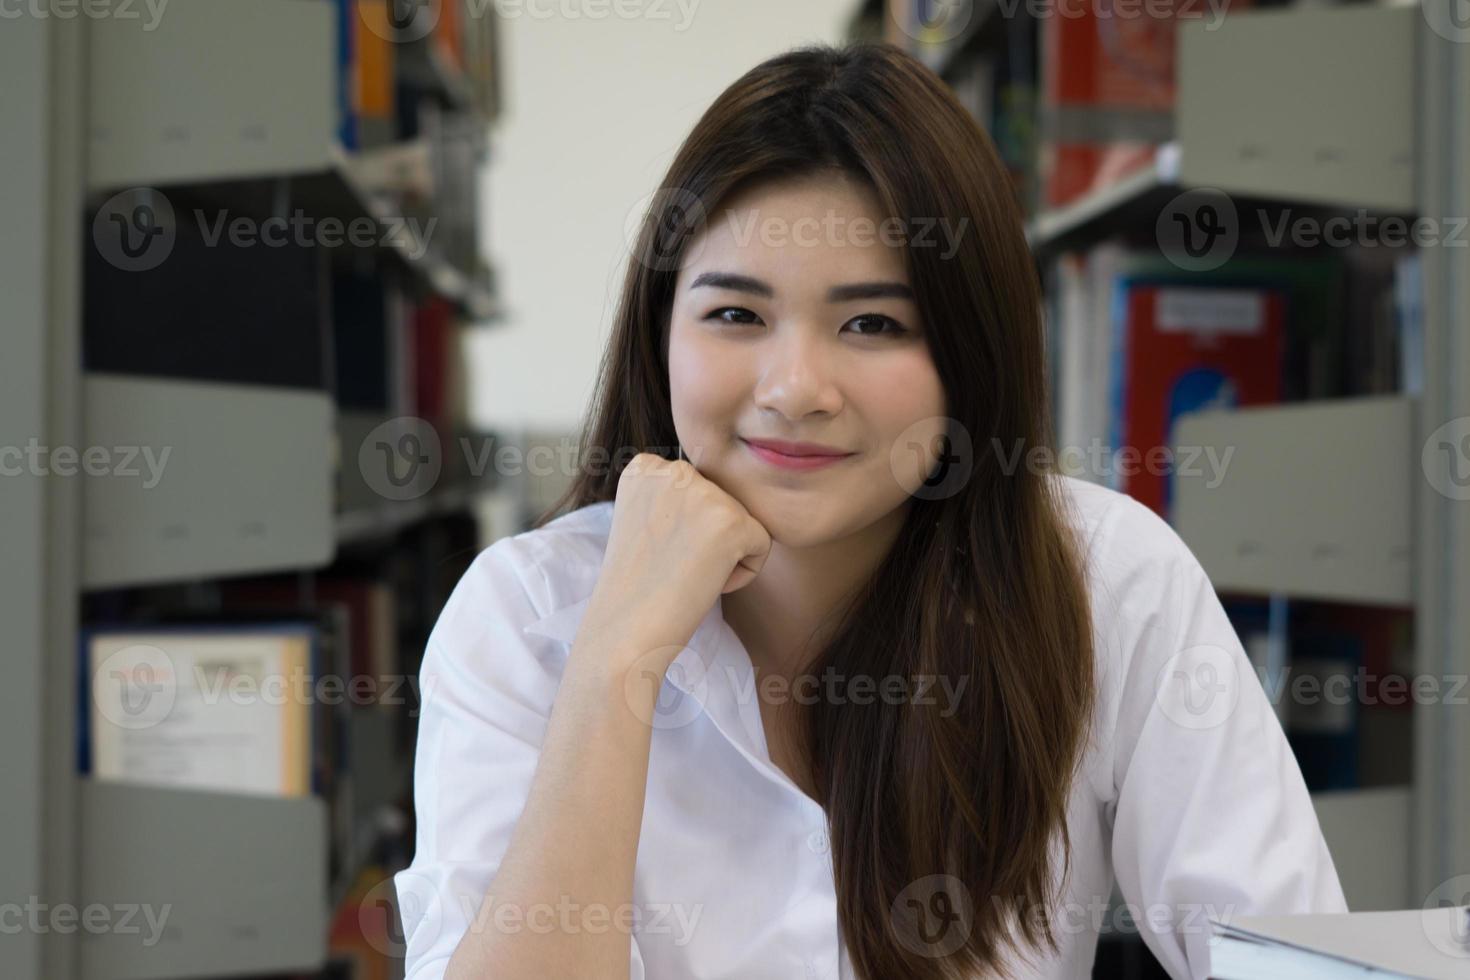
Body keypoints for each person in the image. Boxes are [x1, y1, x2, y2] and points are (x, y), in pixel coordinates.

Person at [394, 41, 1346, 980]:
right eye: (736, 315)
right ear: (661, 334)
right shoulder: (525, 615)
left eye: (873, 324)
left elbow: (1290, 956)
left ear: (971, 352)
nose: (796, 389)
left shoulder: (1108, 581)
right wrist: (614, 661)